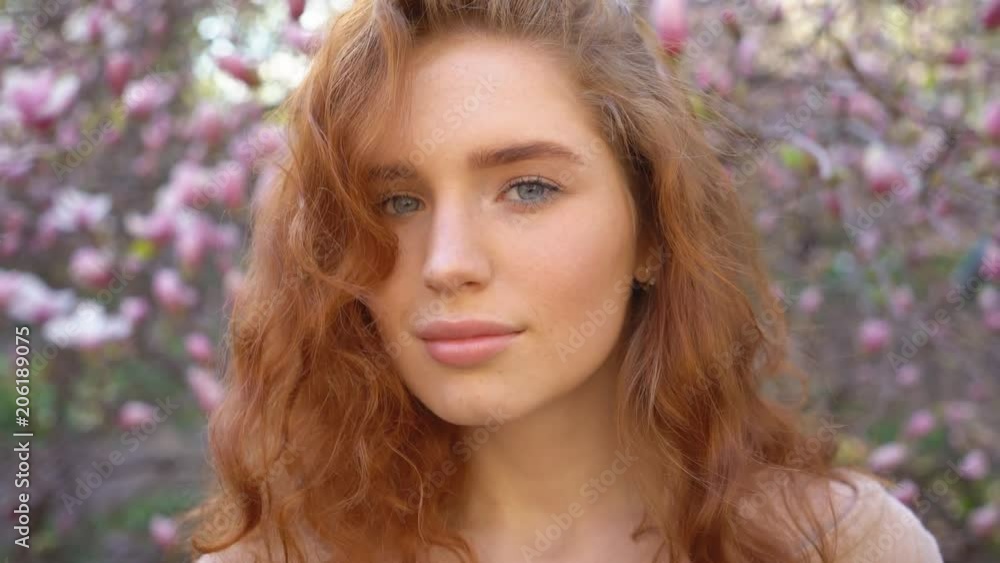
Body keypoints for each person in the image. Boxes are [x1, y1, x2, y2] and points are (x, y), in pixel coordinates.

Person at [186, 1, 944, 562]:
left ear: (652, 229)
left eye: (529, 188)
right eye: (398, 202)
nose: (446, 263)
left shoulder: (838, 546)